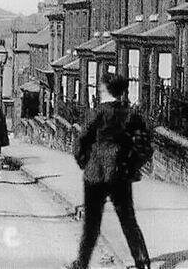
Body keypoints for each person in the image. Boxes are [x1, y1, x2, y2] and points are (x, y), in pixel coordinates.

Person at [66, 73, 151, 269]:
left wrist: (85, 163)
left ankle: (82, 263)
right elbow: (145, 146)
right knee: (128, 219)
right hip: (120, 174)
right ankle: (143, 262)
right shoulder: (131, 114)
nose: (99, 89)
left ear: (105, 89)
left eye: (101, 86)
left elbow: (80, 142)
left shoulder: (97, 113)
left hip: (95, 174)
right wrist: (131, 166)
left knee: (92, 223)